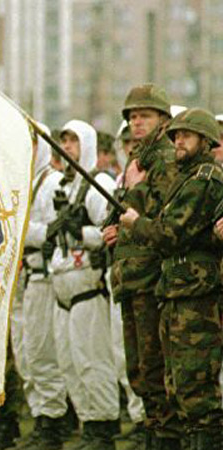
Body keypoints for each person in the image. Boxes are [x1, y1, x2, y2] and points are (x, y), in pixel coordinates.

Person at [123, 108, 223, 449]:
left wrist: (135, 222)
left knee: (196, 389)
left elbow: (169, 233)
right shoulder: (186, 179)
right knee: (176, 385)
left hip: (197, 295)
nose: (179, 141)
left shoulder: (204, 179)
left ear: (205, 141)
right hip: (177, 290)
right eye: (176, 135)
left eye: (186, 136)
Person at [102, 84, 182, 448]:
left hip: (152, 280)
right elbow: (131, 216)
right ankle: (154, 432)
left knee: (155, 369)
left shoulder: (166, 160)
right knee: (137, 370)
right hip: (130, 279)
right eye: (133, 116)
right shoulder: (138, 160)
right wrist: (115, 230)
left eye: (144, 116)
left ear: (163, 120)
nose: (136, 122)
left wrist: (134, 191)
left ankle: (165, 438)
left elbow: (164, 218)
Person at [48, 120, 119, 450]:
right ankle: (88, 421)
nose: (67, 147)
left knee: (93, 361)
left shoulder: (97, 184)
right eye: (63, 141)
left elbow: (112, 230)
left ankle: (103, 426)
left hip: (88, 287)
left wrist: (82, 233)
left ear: (87, 145)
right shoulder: (65, 186)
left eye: (73, 141)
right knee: (69, 363)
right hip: (62, 287)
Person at [14, 124, 69, 450]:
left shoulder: (52, 183)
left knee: (42, 351)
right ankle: (40, 415)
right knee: (25, 353)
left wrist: (21, 231)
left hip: (43, 275)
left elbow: (53, 230)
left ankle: (52, 422)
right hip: (24, 276)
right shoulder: (24, 182)